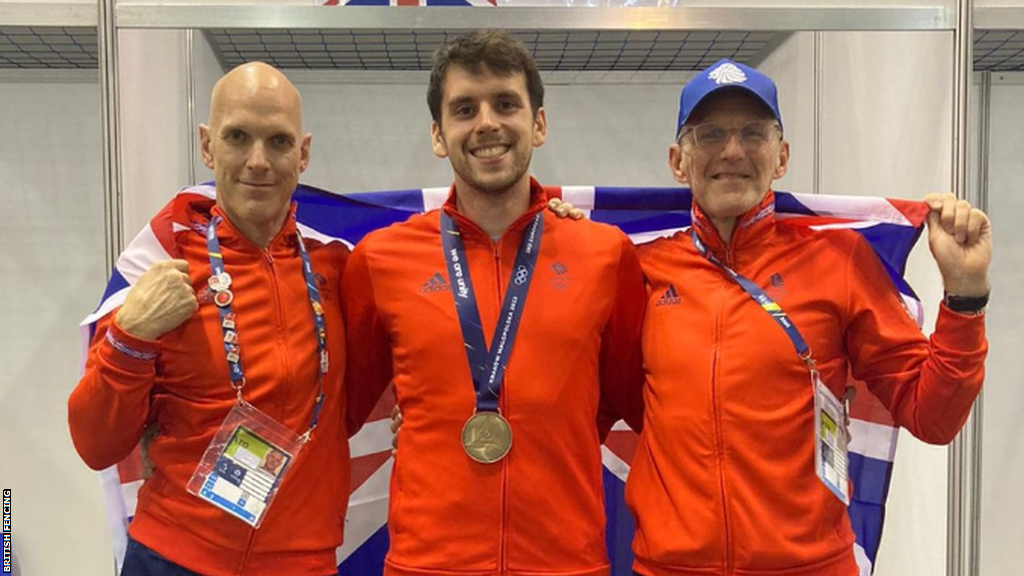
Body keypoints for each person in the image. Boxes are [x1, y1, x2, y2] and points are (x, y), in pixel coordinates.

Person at [622, 59, 990, 576]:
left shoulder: (839, 263)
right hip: (669, 567)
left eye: (754, 132)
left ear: (782, 156)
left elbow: (933, 417)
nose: (732, 150)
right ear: (678, 161)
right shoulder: (640, 271)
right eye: (709, 134)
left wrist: (965, 297)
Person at [342, 31, 646, 576]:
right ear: (439, 135)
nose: (487, 123)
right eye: (465, 109)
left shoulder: (605, 254)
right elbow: (343, 402)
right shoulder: (380, 260)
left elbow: (626, 398)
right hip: (426, 563)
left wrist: (545, 422)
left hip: (564, 562)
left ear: (539, 124)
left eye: (506, 103)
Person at [68, 62, 350, 576]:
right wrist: (131, 334)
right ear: (207, 145)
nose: (258, 161)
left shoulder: (339, 269)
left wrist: (548, 216)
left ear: (303, 153)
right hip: (174, 556)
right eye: (238, 136)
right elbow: (94, 443)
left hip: (302, 563)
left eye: (279, 141)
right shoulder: (161, 267)